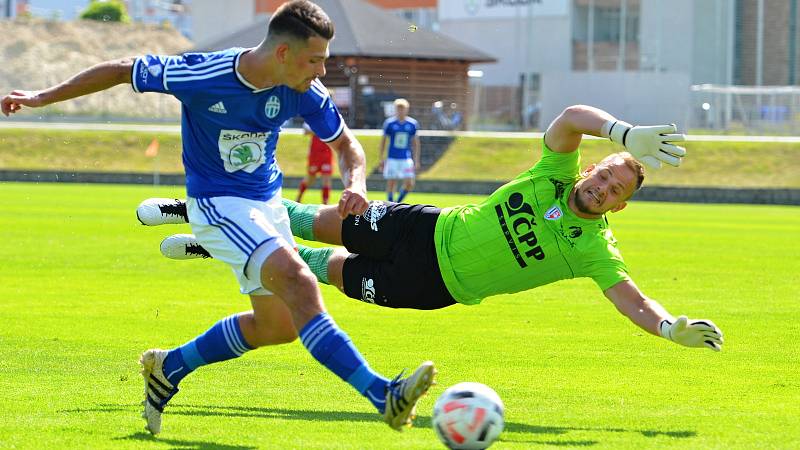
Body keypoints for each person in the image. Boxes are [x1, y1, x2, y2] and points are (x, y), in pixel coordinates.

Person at [1, 0, 435, 435]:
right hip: (217, 204)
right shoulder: (205, 75)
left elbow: (346, 146)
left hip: (267, 205)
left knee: (277, 326)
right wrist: (42, 97)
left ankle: (168, 367)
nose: (321, 71)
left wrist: (356, 184)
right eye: (314, 60)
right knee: (300, 281)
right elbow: (121, 68)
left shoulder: (302, 88)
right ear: (283, 53)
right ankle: (383, 395)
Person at [146, 105, 724, 352]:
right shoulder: (556, 171)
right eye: (604, 176)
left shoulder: (593, 249)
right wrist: (624, 135)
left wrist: (671, 328)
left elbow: (633, 301)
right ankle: (202, 210)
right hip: (421, 230)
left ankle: (214, 244)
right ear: (593, 167)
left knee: (318, 270)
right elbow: (571, 118)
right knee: (316, 222)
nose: (601, 188)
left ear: (619, 208)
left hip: (433, 290)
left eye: (614, 191)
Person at [378, 98, 420, 202]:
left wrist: (416, 159)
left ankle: (398, 202)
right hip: (392, 158)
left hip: (406, 158)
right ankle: (390, 205)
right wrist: (381, 158)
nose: (400, 111)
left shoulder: (412, 124)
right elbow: (383, 141)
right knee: (392, 183)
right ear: (395, 110)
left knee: (410, 183)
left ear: (407, 109)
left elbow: (415, 143)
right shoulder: (390, 123)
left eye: (403, 109)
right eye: (398, 109)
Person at [296, 122, 334, 204]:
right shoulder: (313, 114)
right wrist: (317, 129)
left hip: (327, 153)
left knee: (326, 179)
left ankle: (325, 203)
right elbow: (306, 131)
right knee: (310, 178)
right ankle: (298, 198)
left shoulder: (330, 115)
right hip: (315, 154)